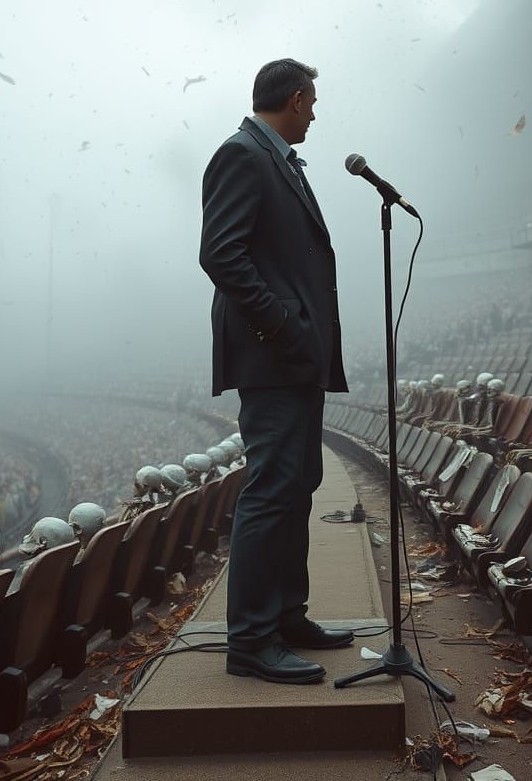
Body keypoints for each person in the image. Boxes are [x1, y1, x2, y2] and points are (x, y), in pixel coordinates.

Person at [199, 58, 350, 685]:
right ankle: (252, 640)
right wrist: (283, 327)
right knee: (271, 491)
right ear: (293, 98)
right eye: (311, 102)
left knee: (296, 485)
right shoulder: (242, 154)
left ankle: (287, 615)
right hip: (274, 354)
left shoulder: (274, 156)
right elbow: (220, 254)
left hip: (294, 356)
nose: (314, 113)